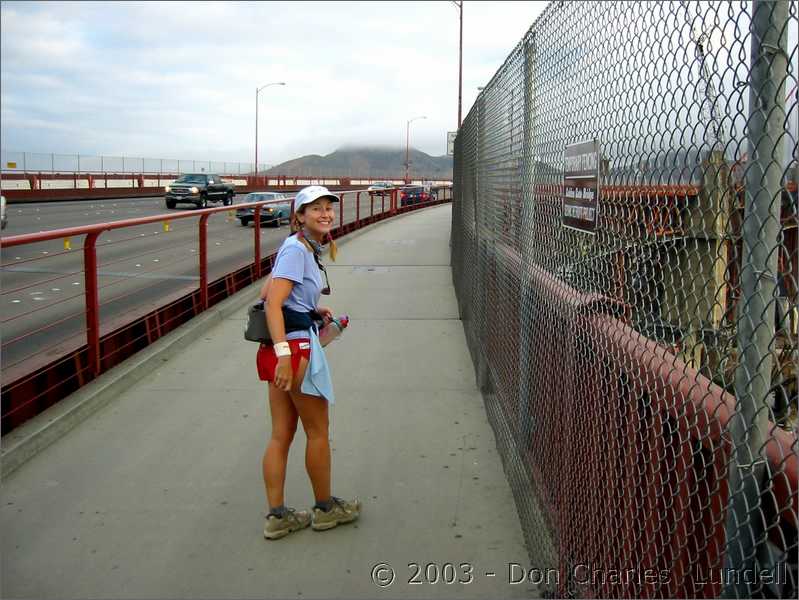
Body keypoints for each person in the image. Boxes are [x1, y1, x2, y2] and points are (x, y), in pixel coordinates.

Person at [255, 185, 361, 540]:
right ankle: (326, 509)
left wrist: (312, 307)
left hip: (281, 350)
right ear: (299, 216)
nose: (326, 213)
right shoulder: (297, 251)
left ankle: (277, 516)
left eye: (329, 207)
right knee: (317, 432)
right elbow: (271, 303)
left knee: (281, 434)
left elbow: (269, 293)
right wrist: (286, 355)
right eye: (315, 208)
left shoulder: (301, 249)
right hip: (294, 352)